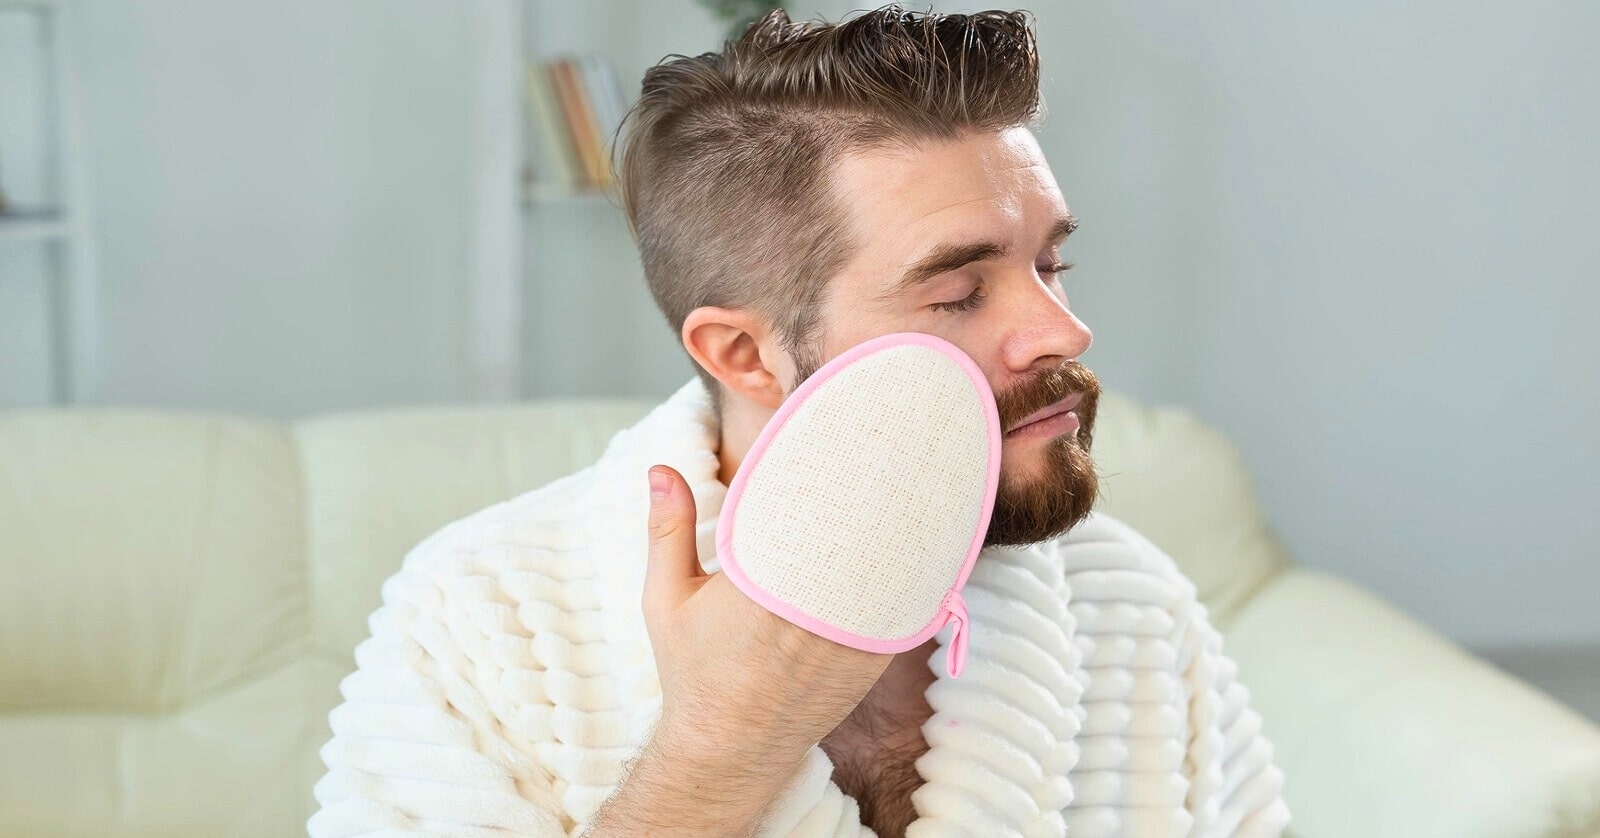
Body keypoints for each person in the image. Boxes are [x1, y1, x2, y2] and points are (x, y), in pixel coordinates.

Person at [308, 6, 1290, 836]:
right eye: (957, 293)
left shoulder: (1128, 605)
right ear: (742, 353)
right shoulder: (485, 617)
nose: (1062, 329)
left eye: (1050, 264)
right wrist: (721, 748)